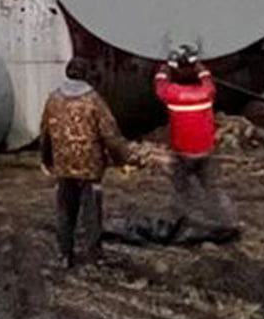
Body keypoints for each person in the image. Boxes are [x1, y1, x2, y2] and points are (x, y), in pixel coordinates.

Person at [38, 57, 131, 268]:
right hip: (90, 168)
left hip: (63, 167)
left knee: (65, 212)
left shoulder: (53, 99)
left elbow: (45, 132)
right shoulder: (94, 100)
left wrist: (46, 160)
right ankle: (94, 256)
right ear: (87, 75)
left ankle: (65, 254)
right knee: (91, 213)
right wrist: (121, 160)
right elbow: (110, 135)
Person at [153, 48, 239, 235]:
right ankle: (228, 220)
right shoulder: (206, 93)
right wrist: (197, 63)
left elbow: (160, 84)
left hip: (182, 153)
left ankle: (181, 221)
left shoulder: (173, 94)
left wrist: (166, 66)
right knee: (211, 188)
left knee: (181, 189)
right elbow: (208, 78)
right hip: (205, 152)